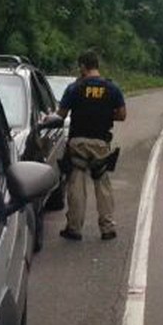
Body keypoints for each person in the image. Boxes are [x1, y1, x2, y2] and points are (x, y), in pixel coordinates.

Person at [55, 49, 126, 241]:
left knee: (76, 185)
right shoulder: (112, 89)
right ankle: (107, 228)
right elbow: (122, 115)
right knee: (102, 185)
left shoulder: (74, 88)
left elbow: (60, 115)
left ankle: (74, 228)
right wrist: (103, 114)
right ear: (97, 66)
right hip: (101, 143)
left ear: (83, 67)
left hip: (78, 142)